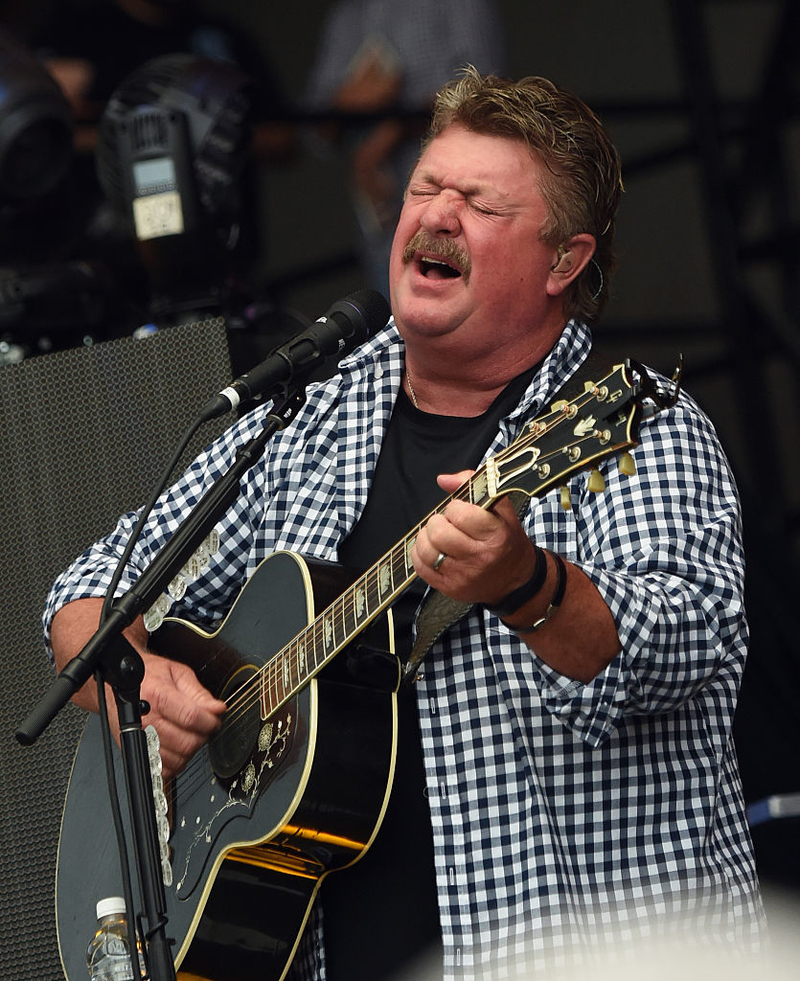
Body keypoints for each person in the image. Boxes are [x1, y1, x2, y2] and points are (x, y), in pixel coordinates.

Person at [44, 68, 766, 980]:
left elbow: (683, 648)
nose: (437, 214)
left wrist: (528, 583)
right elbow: (84, 594)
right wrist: (140, 684)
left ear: (564, 262)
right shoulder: (314, 411)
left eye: (480, 204)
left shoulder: (641, 425)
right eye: (426, 187)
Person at [304, 0, 506, 299]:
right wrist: (344, 104)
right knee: (398, 320)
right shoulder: (348, 13)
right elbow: (311, 133)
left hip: (458, 201)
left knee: (463, 319)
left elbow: (485, 96)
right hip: (379, 219)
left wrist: (384, 137)